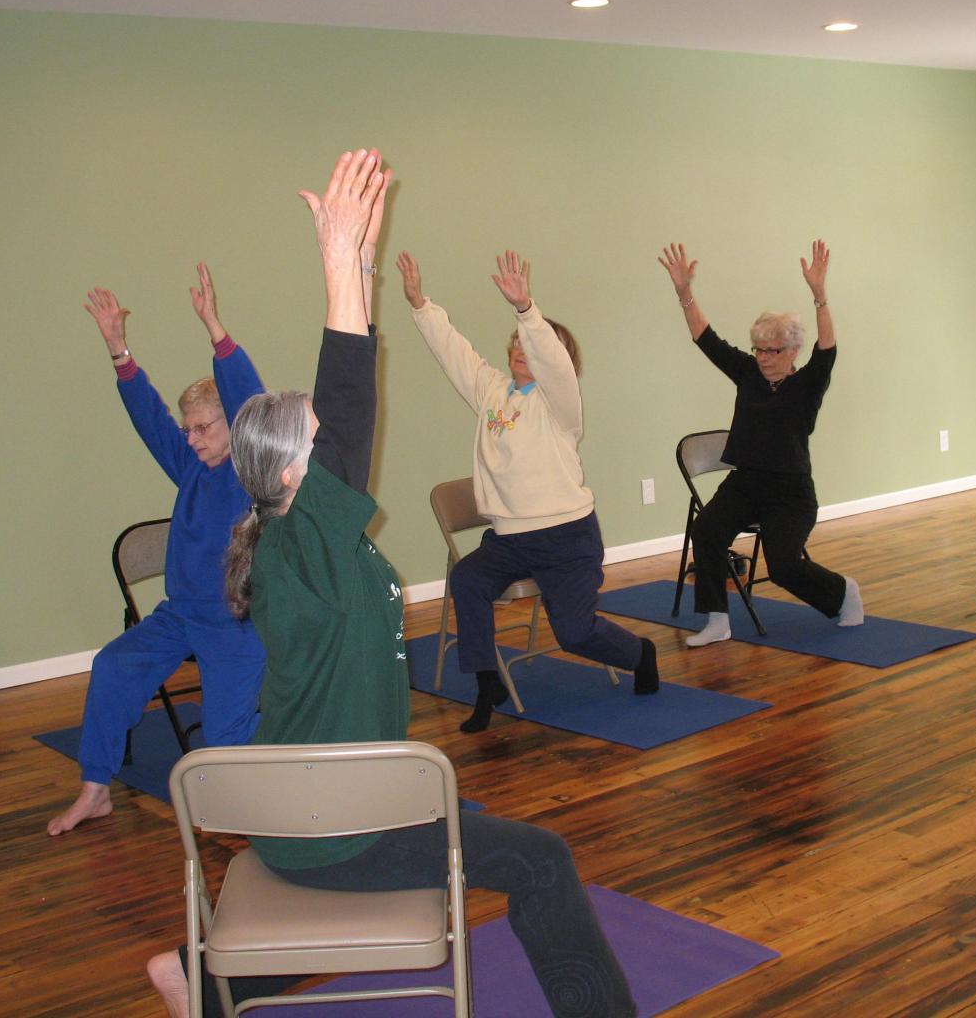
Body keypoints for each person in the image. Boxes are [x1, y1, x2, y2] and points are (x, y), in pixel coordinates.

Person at [147, 149, 637, 1018]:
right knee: (543, 858)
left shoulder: (286, 540)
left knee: (463, 815)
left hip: (315, 801)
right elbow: (350, 396)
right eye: (315, 438)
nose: (330, 438)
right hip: (337, 824)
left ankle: (201, 982)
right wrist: (342, 269)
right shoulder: (306, 544)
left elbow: (339, 417)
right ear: (294, 472)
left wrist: (363, 268)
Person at [396, 248, 659, 733]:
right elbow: (455, 353)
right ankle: (486, 683)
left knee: (575, 633)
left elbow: (553, 364)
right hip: (509, 540)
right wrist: (420, 306)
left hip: (567, 539)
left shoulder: (560, 405)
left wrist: (527, 310)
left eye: (530, 344)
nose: (521, 347)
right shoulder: (492, 392)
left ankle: (640, 654)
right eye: (516, 341)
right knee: (468, 580)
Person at [46, 264, 267, 837]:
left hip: (235, 623)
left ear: (233, 425)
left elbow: (249, 396)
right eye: (188, 428)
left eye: (201, 427)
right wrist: (119, 349)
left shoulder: (252, 470)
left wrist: (216, 329)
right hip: (180, 616)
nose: (189, 438)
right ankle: (95, 790)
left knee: (221, 743)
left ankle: (255, 813)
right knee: (112, 666)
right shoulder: (190, 463)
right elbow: (148, 416)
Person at [657, 240, 863, 647]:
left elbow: (828, 350)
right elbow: (706, 338)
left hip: (791, 493)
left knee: (784, 567)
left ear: (793, 351)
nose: (764, 357)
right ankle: (717, 620)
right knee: (707, 530)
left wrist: (820, 296)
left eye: (774, 350)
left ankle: (842, 593)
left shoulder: (807, 385)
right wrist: (684, 293)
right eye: (759, 349)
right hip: (746, 484)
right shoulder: (748, 373)